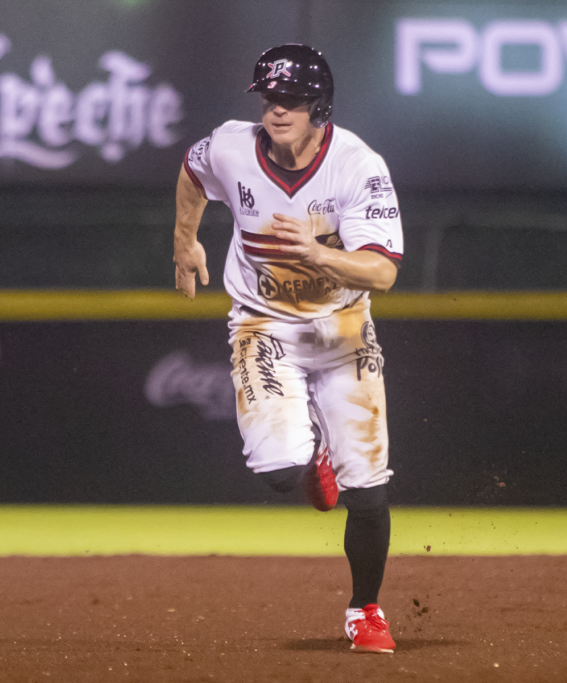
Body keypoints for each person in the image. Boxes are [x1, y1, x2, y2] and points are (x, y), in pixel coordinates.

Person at [173, 43, 404, 654]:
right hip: (265, 327)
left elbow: (383, 273)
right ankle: (314, 451)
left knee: (368, 487)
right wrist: (184, 241)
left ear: (319, 105)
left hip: (344, 331)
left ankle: (365, 610)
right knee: (279, 473)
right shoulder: (232, 147)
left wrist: (317, 253)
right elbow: (193, 170)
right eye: (270, 97)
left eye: (293, 100)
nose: (278, 109)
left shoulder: (357, 165)